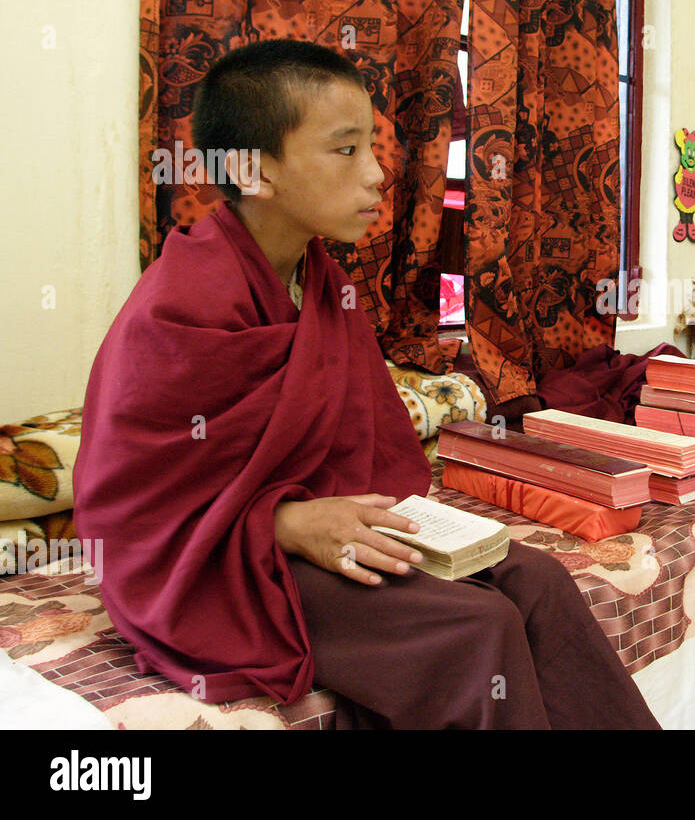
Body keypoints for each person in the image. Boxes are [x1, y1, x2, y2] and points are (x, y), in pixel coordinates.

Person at [73, 39, 660, 729]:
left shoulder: (325, 284)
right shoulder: (179, 307)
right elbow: (130, 509)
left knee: (540, 582)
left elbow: (359, 448)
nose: (378, 174)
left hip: (319, 528)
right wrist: (281, 521)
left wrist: (341, 515)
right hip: (220, 570)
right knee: (477, 630)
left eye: (372, 148)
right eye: (346, 150)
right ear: (255, 171)